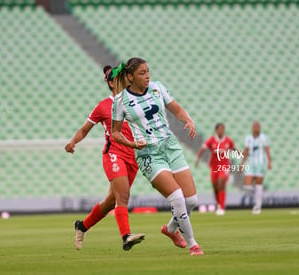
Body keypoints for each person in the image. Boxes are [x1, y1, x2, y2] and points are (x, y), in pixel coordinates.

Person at [111, 57, 204, 256]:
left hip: (170, 146)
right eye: (142, 73)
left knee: (192, 200)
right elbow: (116, 133)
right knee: (177, 198)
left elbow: (177, 109)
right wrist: (132, 143)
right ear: (130, 76)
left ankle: (170, 229)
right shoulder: (120, 101)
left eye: (148, 72)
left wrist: (188, 120)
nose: (147, 76)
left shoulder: (157, 88)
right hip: (148, 154)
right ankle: (193, 245)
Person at [65, 64, 145, 251]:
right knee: (123, 196)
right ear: (111, 82)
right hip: (113, 155)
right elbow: (85, 129)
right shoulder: (103, 106)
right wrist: (73, 142)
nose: (126, 78)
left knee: (110, 201)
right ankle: (126, 236)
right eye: (121, 76)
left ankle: (82, 226)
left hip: (133, 157)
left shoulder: (134, 101)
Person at [195, 123, 235, 216]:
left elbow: (233, 149)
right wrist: (197, 159)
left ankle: (221, 206)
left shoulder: (228, 140)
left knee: (221, 183)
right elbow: (203, 148)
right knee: (215, 187)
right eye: (219, 129)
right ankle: (219, 204)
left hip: (224, 166)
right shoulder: (212, 140)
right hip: (214, 167)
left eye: (222, 129)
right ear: (216, 130)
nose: (221, 131)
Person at [240, 121, 272, 214]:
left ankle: (258, 206)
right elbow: (245, 151)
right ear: (252, 128)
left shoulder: (263, 137)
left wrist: (269, 161)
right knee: (247, 186)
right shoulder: (248, 138)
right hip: (250, 163)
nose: (256, 128)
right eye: (254, 126)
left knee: (258, 185)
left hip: (260, 164)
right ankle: (257, 198)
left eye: (258, 126)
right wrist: (242, 163)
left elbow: (267, 150)